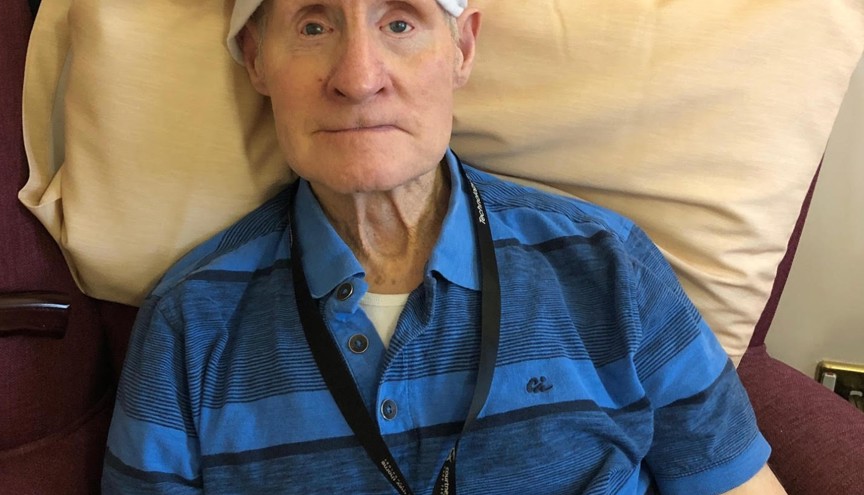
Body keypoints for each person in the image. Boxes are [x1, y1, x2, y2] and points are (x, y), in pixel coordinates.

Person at [102, 0, 788, 493]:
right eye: (313, 25)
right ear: (256, 59)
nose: (358, 76)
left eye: (399, 22)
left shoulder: (609, 264)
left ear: (462, 50)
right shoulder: (188, 324)